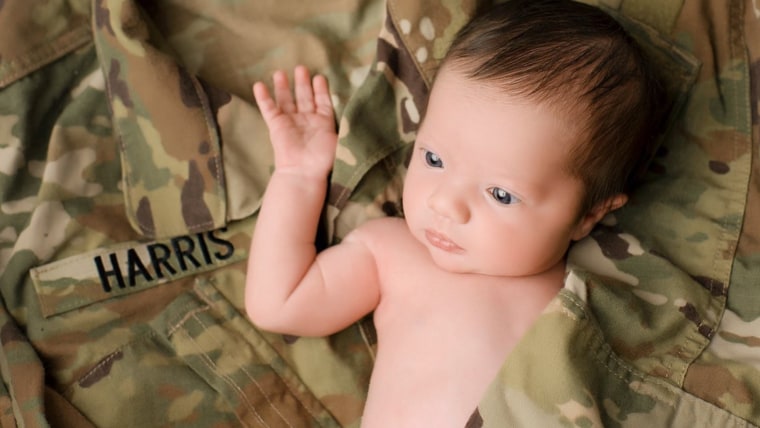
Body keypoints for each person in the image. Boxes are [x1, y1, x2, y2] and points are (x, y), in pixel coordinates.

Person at [245, 0, 663, 426]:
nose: (444, 203)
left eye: (501, 194)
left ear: (588, 216)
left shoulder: (601, 293)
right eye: (434, 159)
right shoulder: (392, 252)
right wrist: (298, 177)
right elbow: (280, 303)